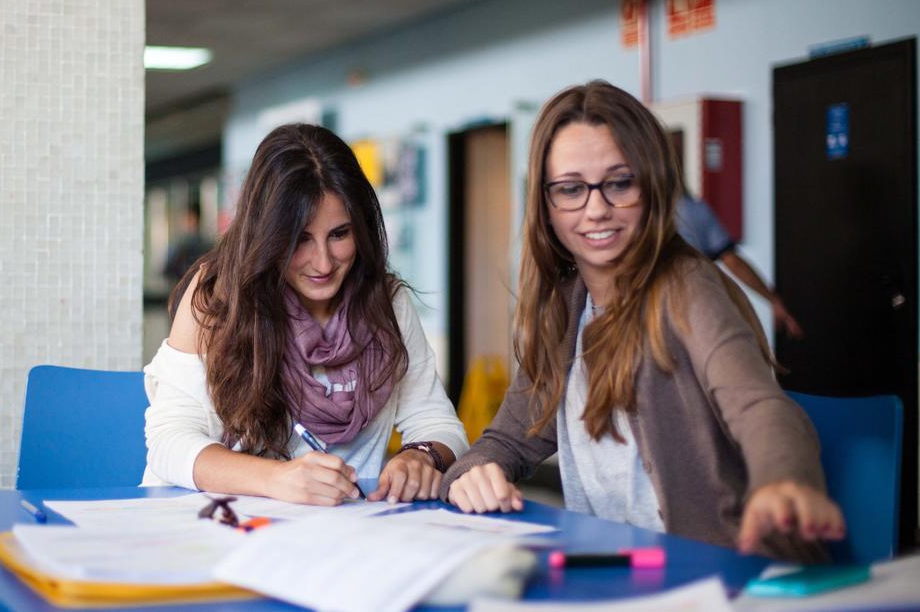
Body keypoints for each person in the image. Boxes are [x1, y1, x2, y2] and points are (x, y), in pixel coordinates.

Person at [440, 81, 844, 562]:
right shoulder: (564, 305)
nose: (596, 209)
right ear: (545, 205)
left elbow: (760, 407)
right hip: (619, 569)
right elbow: (508, 437)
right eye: (570, 189)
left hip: (713, 573)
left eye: (620, 182)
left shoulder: (686, 286)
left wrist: (783, 481)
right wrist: (474, 472)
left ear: (652, 186)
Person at [143, 123, 468, 505]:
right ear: (266, 235)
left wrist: (420, 456)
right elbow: (169, 442)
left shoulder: (387, 303)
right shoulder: (216, 296)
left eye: (339, 234)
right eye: (299, 240)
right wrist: (276, 479)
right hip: (214, 528)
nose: (323, 262)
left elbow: (438, 424)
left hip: (344, 536)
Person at [677, 191, 804, 338]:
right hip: (690, 313)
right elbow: (732, 261)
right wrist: (773, 300)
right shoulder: (693, 209)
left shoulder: (649, 213)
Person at [162, 201, 212, 288]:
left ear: (197, 219)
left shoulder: (204, 245)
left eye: (190, 219)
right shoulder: (179, 245)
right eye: (186, 219)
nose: (186, 223)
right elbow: (167, 271)